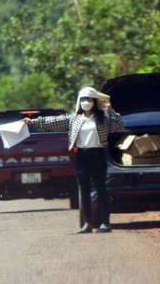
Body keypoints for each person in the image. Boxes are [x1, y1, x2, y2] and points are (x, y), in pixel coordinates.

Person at [22, 87, 125, 233]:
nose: (86, 102)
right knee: (83, 189)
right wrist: (33, 122)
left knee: (100, 188)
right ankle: (87, 223)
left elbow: (119, 126)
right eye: (83, 99)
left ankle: (105, 223)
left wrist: (110, 110)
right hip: (81, 155)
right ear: (78, 101)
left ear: (95, 101)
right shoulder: (74, 118)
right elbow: (54, 122)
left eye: (89, 99)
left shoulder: (103, 117)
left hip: (97, 154)